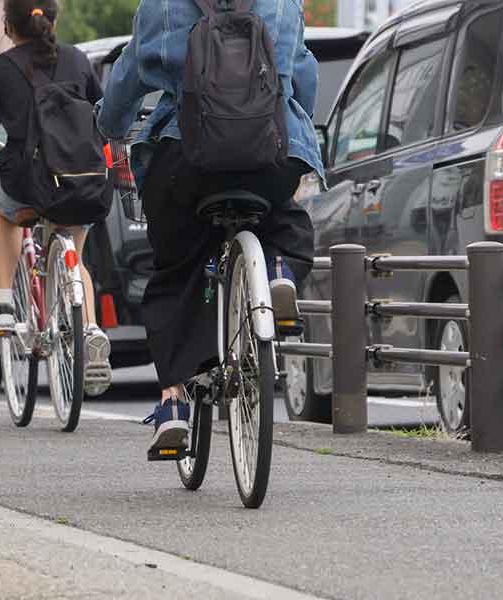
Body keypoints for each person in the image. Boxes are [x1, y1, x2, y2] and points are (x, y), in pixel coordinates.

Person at [96, 0, 320, 453]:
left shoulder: (159, 5)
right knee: (286, 221)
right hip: (270, 152)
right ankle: (277, 270)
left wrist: (109, 123)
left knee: (175, 270)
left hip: (186, 158)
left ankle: (173, 401)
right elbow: (302, 76)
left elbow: (129, 77)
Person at [0, 0, 112, 396]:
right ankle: (89, 328)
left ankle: (3, 300)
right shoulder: (77, 61)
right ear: (54, 20)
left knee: (6, 216)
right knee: (76, 253)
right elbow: (100, 114)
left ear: (8, 26)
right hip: (79, 179)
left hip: (27, 182)